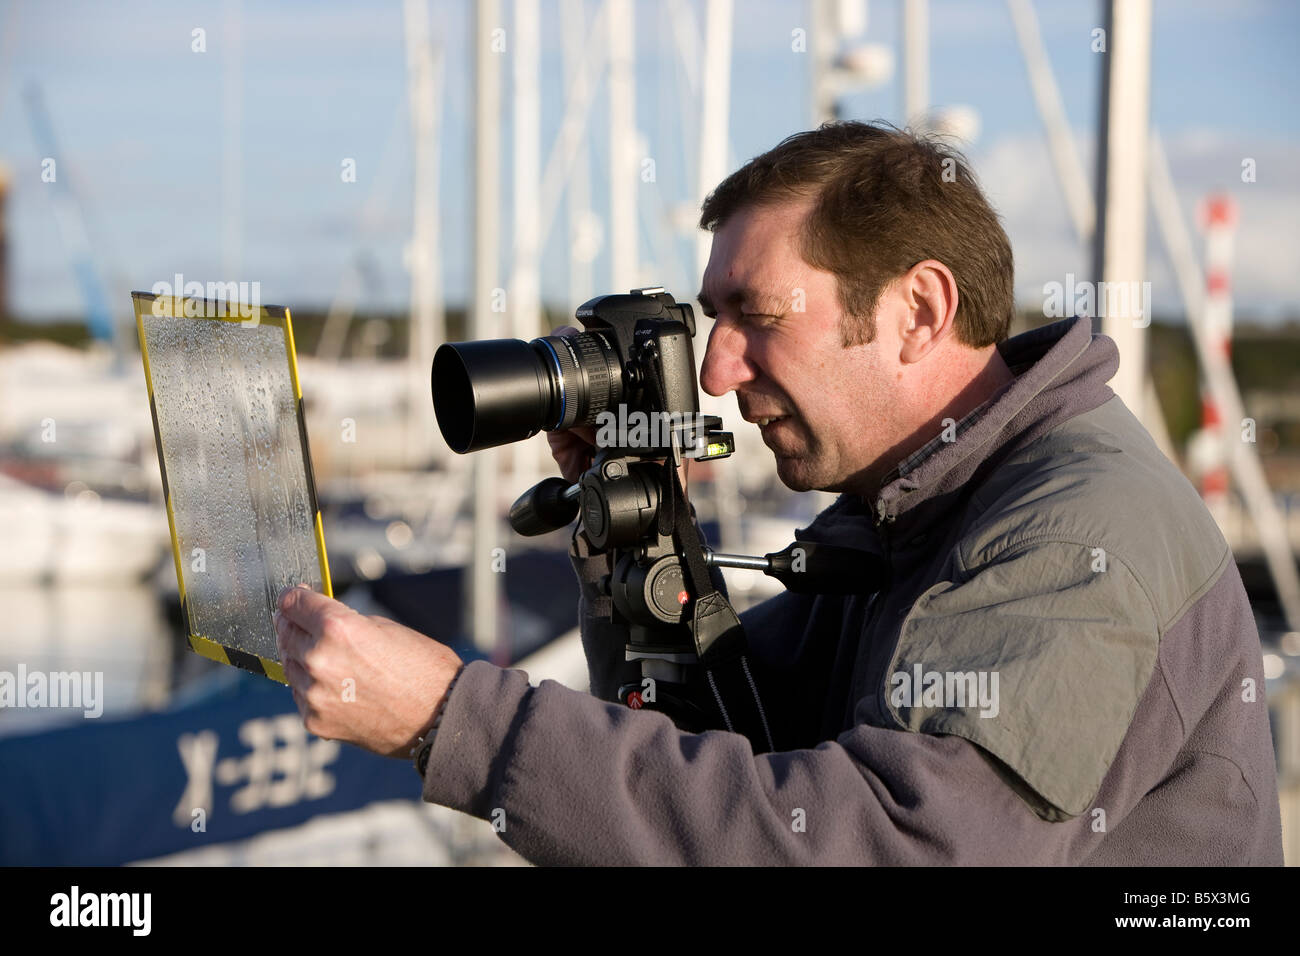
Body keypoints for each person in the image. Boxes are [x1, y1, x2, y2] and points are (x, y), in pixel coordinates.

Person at [275, 120, 1284, 865]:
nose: (716, 370)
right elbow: (727, 743)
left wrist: (448, 718)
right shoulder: (915, 498)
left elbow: (877, 844)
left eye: (756, 315)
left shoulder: (1071, 536)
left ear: (918, 310)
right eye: (709, 318)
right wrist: (633, 537)